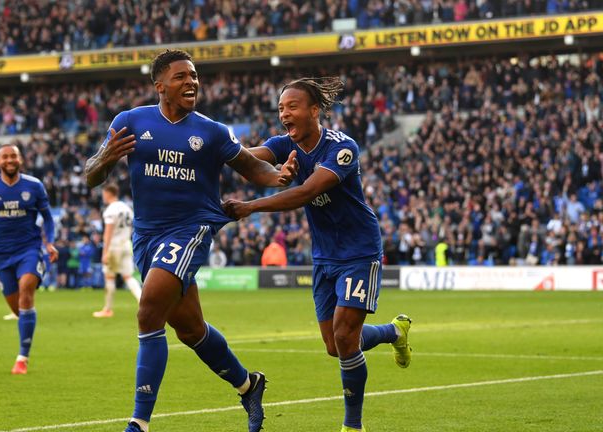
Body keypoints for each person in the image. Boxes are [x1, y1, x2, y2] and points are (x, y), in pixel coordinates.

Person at [84, 49, 297, 432]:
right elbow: (90, 176)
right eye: (181, 76)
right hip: (147, 236)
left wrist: (279, 176)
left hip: (191, 229)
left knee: (149, 309)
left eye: (195, 76)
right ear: (160, 85)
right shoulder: (130, 121)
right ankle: (248, 384)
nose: (192, 82)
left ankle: (138, 422)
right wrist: (104, 160)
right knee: (190, 329)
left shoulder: (212, 131)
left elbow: (251, 166)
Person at [223, 77, 413, 432]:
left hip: (359, 250)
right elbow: (247, 160)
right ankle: (393, 331)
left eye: (292, 106)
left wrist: (250, 206)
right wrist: (212, 150)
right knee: (335, 345)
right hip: (324, 254)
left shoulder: (342, 148)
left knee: (344, 337)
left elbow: (306, 192)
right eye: (281, 108)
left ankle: (352, 426)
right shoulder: (284, 144)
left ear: (315, 110)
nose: (284, 114)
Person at [0, 143, 59, 375]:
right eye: (5, 157)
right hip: (2, 255)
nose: (9, 160)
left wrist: (50, 241)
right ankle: (27, 326)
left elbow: (48, 218)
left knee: (27, 289)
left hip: (29, 249)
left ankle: (22, 358)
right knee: (18, 309)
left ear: (20, 159)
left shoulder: (34, 186)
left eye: (13, 156)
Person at [93, 183, 142, 318]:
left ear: (108, 193)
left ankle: (107, 309)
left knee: (110, 277)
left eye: (104, 194)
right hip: (126, 244)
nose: (103, 196)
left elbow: (108, 233)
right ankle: (143, 302)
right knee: (128, 277)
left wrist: (105, 252)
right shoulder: (127, 208)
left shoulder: (110, 210)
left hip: (114, 247)